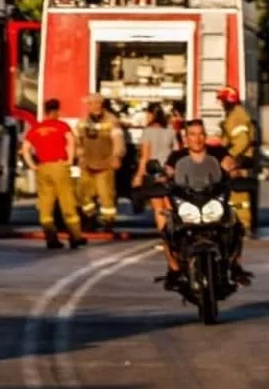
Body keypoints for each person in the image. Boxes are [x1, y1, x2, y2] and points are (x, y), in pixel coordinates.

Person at [162, 119, 251, 286]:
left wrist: (235, 171)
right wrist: (160, 179)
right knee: (167, 229)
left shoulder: (217, 152)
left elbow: (229, 164)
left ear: (205, 135)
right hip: (188, 204)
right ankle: (174, 268)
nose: (197, 138)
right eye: (192, 134)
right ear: (186, 137)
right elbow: (167, 172)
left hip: (212, 201)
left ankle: (235, 265)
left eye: (201, 134)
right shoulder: (177, 156)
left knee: (236, 226)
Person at [21, 98, 87, 250]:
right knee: (68, 202)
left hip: (43, 168)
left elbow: (25, 149)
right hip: (59, 167)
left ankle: (51, 238)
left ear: (45, 111)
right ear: (56, 111)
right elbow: (71, 142)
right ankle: (75, 236)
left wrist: (33, 166)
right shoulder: (62, 126)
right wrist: (70, 160)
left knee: (46, 206)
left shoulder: (36, 128)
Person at [132, 104, 179, 273]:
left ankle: (165, 238)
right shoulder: (171, 132)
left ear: (151, 115)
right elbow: (177, 151)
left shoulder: (148, 132)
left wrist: (139, 175)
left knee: (159, 209)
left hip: (154, 172)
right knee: (170, 206)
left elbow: (145, 156)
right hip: (169, 173)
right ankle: (175, 236)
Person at [76, 93, 125, 234]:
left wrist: (116, 156)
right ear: (88, 106)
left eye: (98, 103)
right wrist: (79, 156)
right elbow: (78, 141)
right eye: (91, 103)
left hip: (105, 164)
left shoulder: (111, 120)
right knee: (82, 194)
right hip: (87, 164)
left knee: (106, 196)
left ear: (102, 104)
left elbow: (118, 140)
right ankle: (91, 217)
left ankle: (108, 222)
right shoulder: (82, 122)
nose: (95, 106)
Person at [216, 85, 256, 236]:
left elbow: (242, 140)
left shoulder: (237, 116)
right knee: (234, 193)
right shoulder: (234, 114)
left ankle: (243, 224)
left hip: (240, 160)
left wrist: (230, 157)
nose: (221, 104)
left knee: (239, 195)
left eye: (222, 101)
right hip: (239, 159)